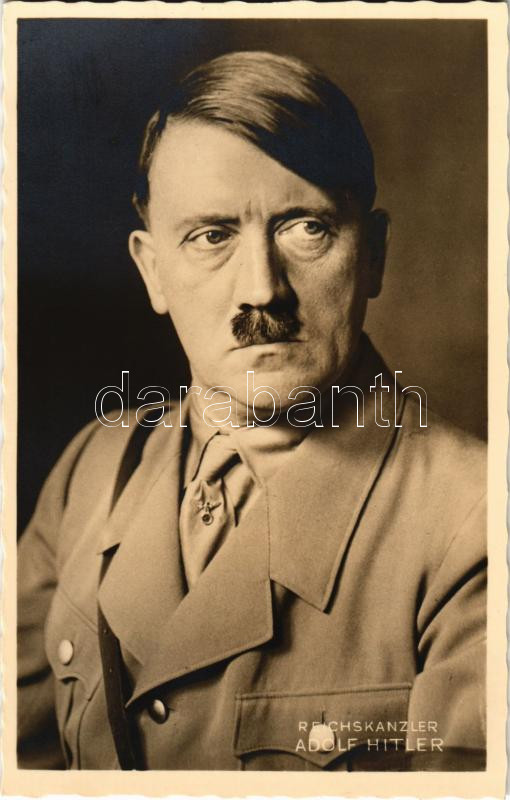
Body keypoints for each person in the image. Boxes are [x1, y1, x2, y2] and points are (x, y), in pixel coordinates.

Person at [17, 51, 486, 772]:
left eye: (307, 228)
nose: (262, 290)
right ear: (152, 271)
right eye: (212, 236)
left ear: (374, 255)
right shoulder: (93, 468)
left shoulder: (476, 523)